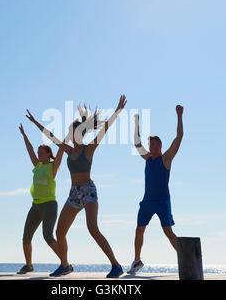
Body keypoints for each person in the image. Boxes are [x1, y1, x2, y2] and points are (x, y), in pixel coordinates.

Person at [25, 95, 127, 278]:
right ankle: (64, 265)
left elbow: (105, 129)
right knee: (60, 231)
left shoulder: (89, 148)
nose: (71, 136)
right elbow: (50, 135)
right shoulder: (68, 150)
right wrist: (34, 122)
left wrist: (117, 111)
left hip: (88, 190)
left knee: (92, 228)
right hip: (74, 194)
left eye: (74, 133)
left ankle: (116, 265)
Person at [127, 105, 184, 274]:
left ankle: (183, 258)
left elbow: (179, 137)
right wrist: (136, 123)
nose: (150, 147)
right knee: (139, 229)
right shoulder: (148, 159)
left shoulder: (166, 158)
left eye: (153, 145)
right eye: (149, 145)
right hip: (147, 201)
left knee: (168, 231)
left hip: (162, 201)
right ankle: (137, 261)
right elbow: (136, 143)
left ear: (159, 146)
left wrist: (179, 115)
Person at [16, 123, 67, 274]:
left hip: (49, 205)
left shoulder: (53, 166)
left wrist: (66, 138)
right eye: (38, 153)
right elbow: (29, 150)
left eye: (41, 152)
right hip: (35, 206)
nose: (38, 155)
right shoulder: (37, 165)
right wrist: (24, 136)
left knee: (48, 236)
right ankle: (29, 265)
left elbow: (61, 151)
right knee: (26, 237)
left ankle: (65, 264)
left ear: (48, 154)